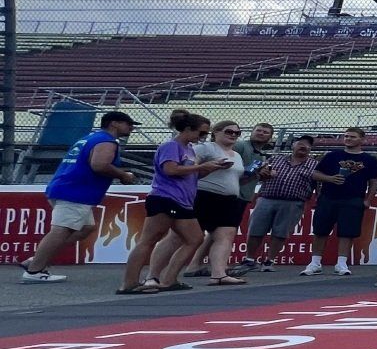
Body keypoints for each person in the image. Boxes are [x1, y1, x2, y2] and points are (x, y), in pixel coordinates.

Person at [21, 109, 138, 282]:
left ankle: (35, 260)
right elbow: (99, 165)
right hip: (77, 192)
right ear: (114, 123)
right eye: (129, 124)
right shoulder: (107, 141)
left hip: (66, 187)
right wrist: (123, 175)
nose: (131, 128)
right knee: (61, 229)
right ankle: (34, 271)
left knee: (85, 228)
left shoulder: (88, 138)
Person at [119, 109, 225, 295]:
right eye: (201, 133)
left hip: (181, 200)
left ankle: (169, 279)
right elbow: (170, 170)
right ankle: (129, 283)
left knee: (194, 238)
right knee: (149, 240)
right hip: (165, 197)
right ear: (187, 129)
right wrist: (201, 166)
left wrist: (211, 168)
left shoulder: (188, 149)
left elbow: (191, 175)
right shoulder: (171, 146)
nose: (203, 137)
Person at [304, 127, 377, 276]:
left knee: (347, 233)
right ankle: (315, 262)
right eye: (346, 136)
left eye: (352, 137)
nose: (348, 139)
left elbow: (374, 181)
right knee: (320, 231)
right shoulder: (332, 156)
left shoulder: (370, 159)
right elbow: (315, 173)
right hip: (328, 197)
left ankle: (341, 263)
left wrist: (368, 200)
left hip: (353, 199)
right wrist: (330, 179)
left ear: (362, 140)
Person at [242, 137, 318, 270]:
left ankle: (269, 261)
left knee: (280, 233)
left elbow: (318, 184)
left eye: (307, 145)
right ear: (293, 145)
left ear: (310, 149)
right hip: (266, 198)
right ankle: (249, 259)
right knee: (256, 229)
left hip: (293, 202)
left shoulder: (314, 165)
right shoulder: (275, 158)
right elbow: (259, 173)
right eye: (300, 144)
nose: (304, 146)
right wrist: (264, 172)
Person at [190, 121, 251, 285]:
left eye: (237, 133)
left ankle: (218, 273)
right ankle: (159, 274)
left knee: (226, 236)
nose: (233, 135)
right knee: (184, 237)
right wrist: (209, 166)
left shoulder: (236, 155)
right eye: (229, 131)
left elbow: (235, 178)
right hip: (205, 195)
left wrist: (254, 174)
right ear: (215, 132)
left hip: (229, 199)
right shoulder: (206, 148)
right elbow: (189, 167)